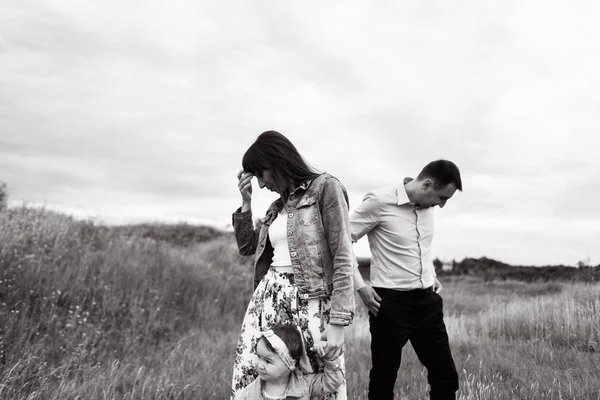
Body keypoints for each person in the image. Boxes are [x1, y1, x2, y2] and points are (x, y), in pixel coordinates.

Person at [231, 131, 355, 399]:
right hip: (269, 302)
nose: (262, 185)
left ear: (274, 162)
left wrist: (338, 322)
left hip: (310, 302)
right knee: (262, 378)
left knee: (316, 379)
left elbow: (343, 255)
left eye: (261, 175)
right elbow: (247, 247)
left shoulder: (325, 188)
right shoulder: (276, 208)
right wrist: (246, 203)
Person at [350, 159, 462, 400]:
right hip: (390, 304)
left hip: (428, 303)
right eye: (443, 198)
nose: (441, 206)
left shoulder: (427, 206)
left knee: (446, 377)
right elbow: (339, 242)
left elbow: (420, 246)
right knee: (383, 379)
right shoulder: (379, 202)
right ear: (427, 184)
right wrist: (360, 286)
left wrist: (430, 275)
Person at [234, 324, 344, 400]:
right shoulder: (250, 392)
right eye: (258, 356)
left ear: (289, 364)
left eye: (268, 361)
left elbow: (332, 381)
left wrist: (330, 356)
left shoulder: (304, 385)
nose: (260, 365)